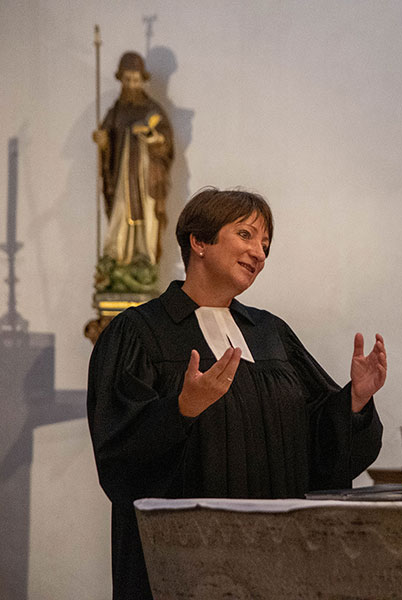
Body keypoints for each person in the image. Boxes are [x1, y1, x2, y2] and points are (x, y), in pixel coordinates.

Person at [87, 188, 386, 599]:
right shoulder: (139, 333)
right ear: (199, 241)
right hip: (186, 566)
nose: (259, 253)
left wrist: (354, 400)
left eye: (265, 244)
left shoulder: (270, 333)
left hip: (279, 560)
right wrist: (181, 411)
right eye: (245, 235)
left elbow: (319, 446)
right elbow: (118, 456)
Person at [92, 51, 174, 293]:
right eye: (127, 79)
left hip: (147, 180)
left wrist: (153, 138)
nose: (131, 84)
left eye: (136, 80)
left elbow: (166, 144)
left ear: (142, 80)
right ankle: (115, 260)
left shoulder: (153, 110)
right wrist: (103, 141)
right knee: (119, 215)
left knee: (148, 219)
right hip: (122, 184)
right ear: (121, 80)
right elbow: (106, 139)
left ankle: (144, 260)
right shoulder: (116, 111)